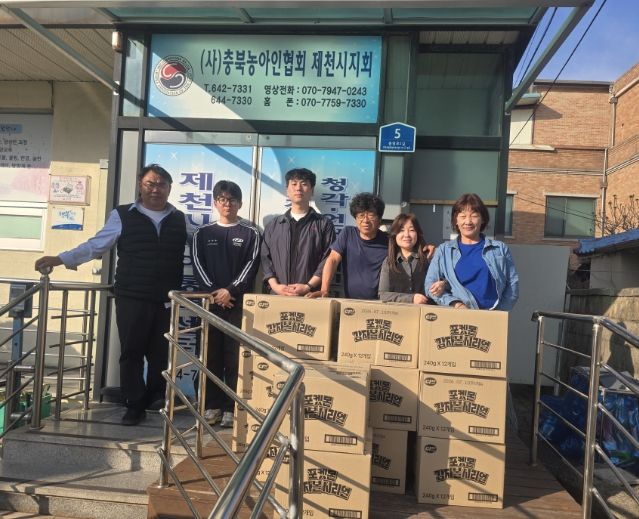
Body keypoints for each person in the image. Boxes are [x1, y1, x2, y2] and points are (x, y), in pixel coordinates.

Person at [34, 164, 187, 426]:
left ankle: (157, 398)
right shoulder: (122, 215)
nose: (156, 189)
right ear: (140, 185)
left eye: (162, 184)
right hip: (131, 296)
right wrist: (61, 259)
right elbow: (97, 245)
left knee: (161, 352)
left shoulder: (179, 218)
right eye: (150, 183)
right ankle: (134, 404)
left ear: (169, 188)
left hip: (166, 298)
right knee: (131, 352)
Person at [191, 180, 261, 427]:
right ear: (215, 203)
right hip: (209, 304)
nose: (227, 204)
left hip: (238, 304)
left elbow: (251, 266)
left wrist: (230, 291)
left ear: (240, 204)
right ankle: (211, 406)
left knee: (235, 357)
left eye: (232, 200)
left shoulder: (251, 233)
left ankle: (232, 407)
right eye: (222, 199)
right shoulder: (202, 233)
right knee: (209, 355)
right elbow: (197, 265)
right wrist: (215, 293)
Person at [425, 193, 519, 311]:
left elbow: (513, 285)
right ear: (456, 220)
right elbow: (429, 286)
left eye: (474, 216)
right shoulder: (444, 251)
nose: (468, 221)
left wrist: (499, 313)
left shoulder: (499, 249)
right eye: (463, 216)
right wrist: (456, 304)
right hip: (458, 315)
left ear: (483, 219)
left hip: (492, 315)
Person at [261, 168, 335, 296]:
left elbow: (328, 259)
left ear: (312, 190)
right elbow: (265, 259)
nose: (298, 188)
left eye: (304, 184)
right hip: (277, 295)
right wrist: (276, 286)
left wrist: (308, 286)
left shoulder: (324, 224)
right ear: (287, 190)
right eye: (294, 184)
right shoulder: (274, 225)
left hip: (310, 296)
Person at [310, 192, 388, 300]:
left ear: (379, 219)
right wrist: (324, 289)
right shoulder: (348, 234)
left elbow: (403, 256)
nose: (365, 220)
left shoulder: (388, 241)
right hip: (350, 302)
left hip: (380, 303)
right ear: (355, 218)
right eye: (361, 215)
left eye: (371, 215)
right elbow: (333, 259)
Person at [378, 213, 434, 304]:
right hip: (398, 312)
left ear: (417, 233)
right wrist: (411, 299)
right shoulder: (389, 262)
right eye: (401, 230)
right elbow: (383, 294)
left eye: (411, 230)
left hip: (426, 311)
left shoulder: (429, 257)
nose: (406, 235)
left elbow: (443, 284)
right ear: (395, 235)